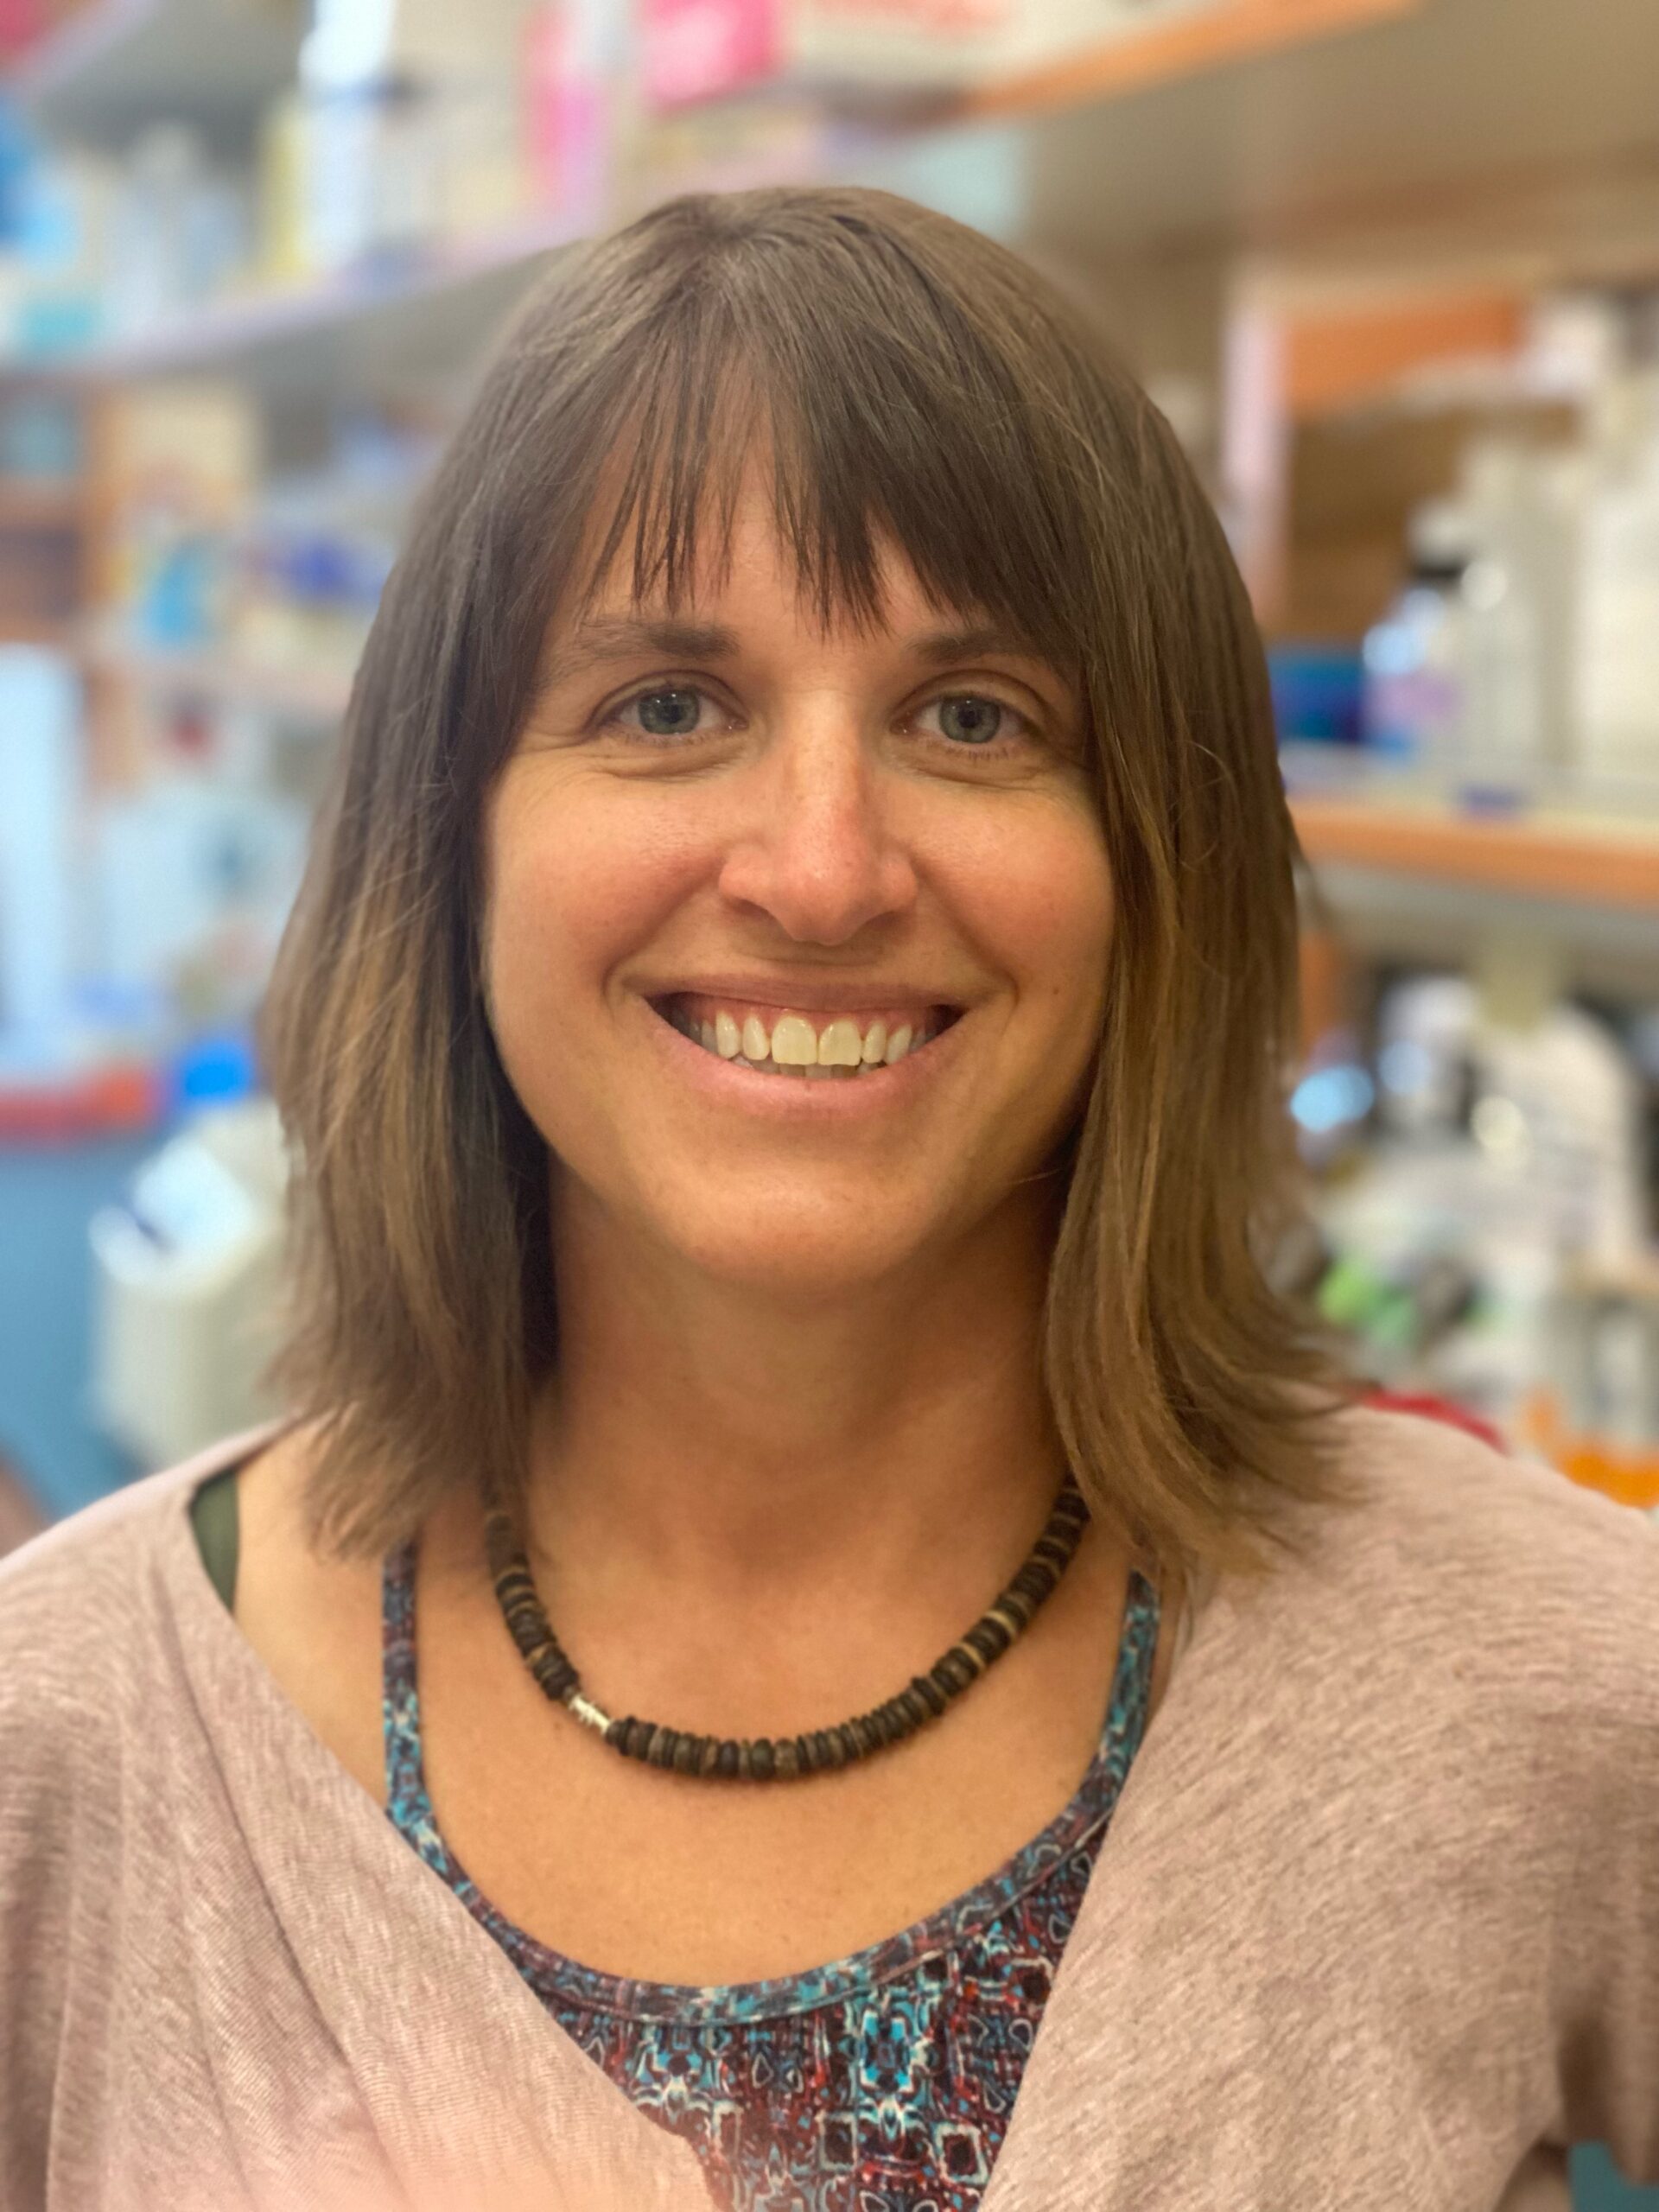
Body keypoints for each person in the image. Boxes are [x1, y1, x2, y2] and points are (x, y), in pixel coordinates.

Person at [2, 187, 1656, 2212]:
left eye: (974, 718)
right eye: (666, 707)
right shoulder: (64, 1735)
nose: (820, 868)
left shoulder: (1535, 1673)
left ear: (1161, 863)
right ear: (453, 838)